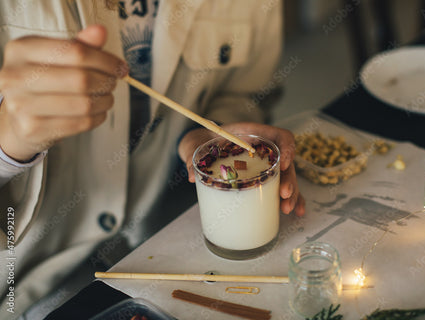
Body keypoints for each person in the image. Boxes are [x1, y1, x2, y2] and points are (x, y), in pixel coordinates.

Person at [0, 1, 305, 318]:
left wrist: (207, 134)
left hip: (167, 249)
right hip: (26, 289)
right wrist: (8, 142)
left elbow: (244, 92)